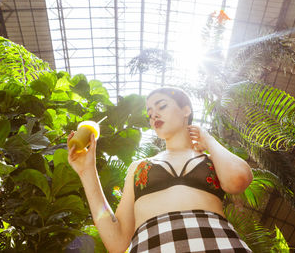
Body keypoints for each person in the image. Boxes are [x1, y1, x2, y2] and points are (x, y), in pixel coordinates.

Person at [67, 87, 253, 253]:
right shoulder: (139, 167)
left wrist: (208, 140)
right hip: (151, 245)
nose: (154, 115)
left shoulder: (212, 161)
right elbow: (117, 243)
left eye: (161, 106)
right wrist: (87, 171)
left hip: (220, 243)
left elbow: (238, 179)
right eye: (149, 113)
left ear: (186, 110)